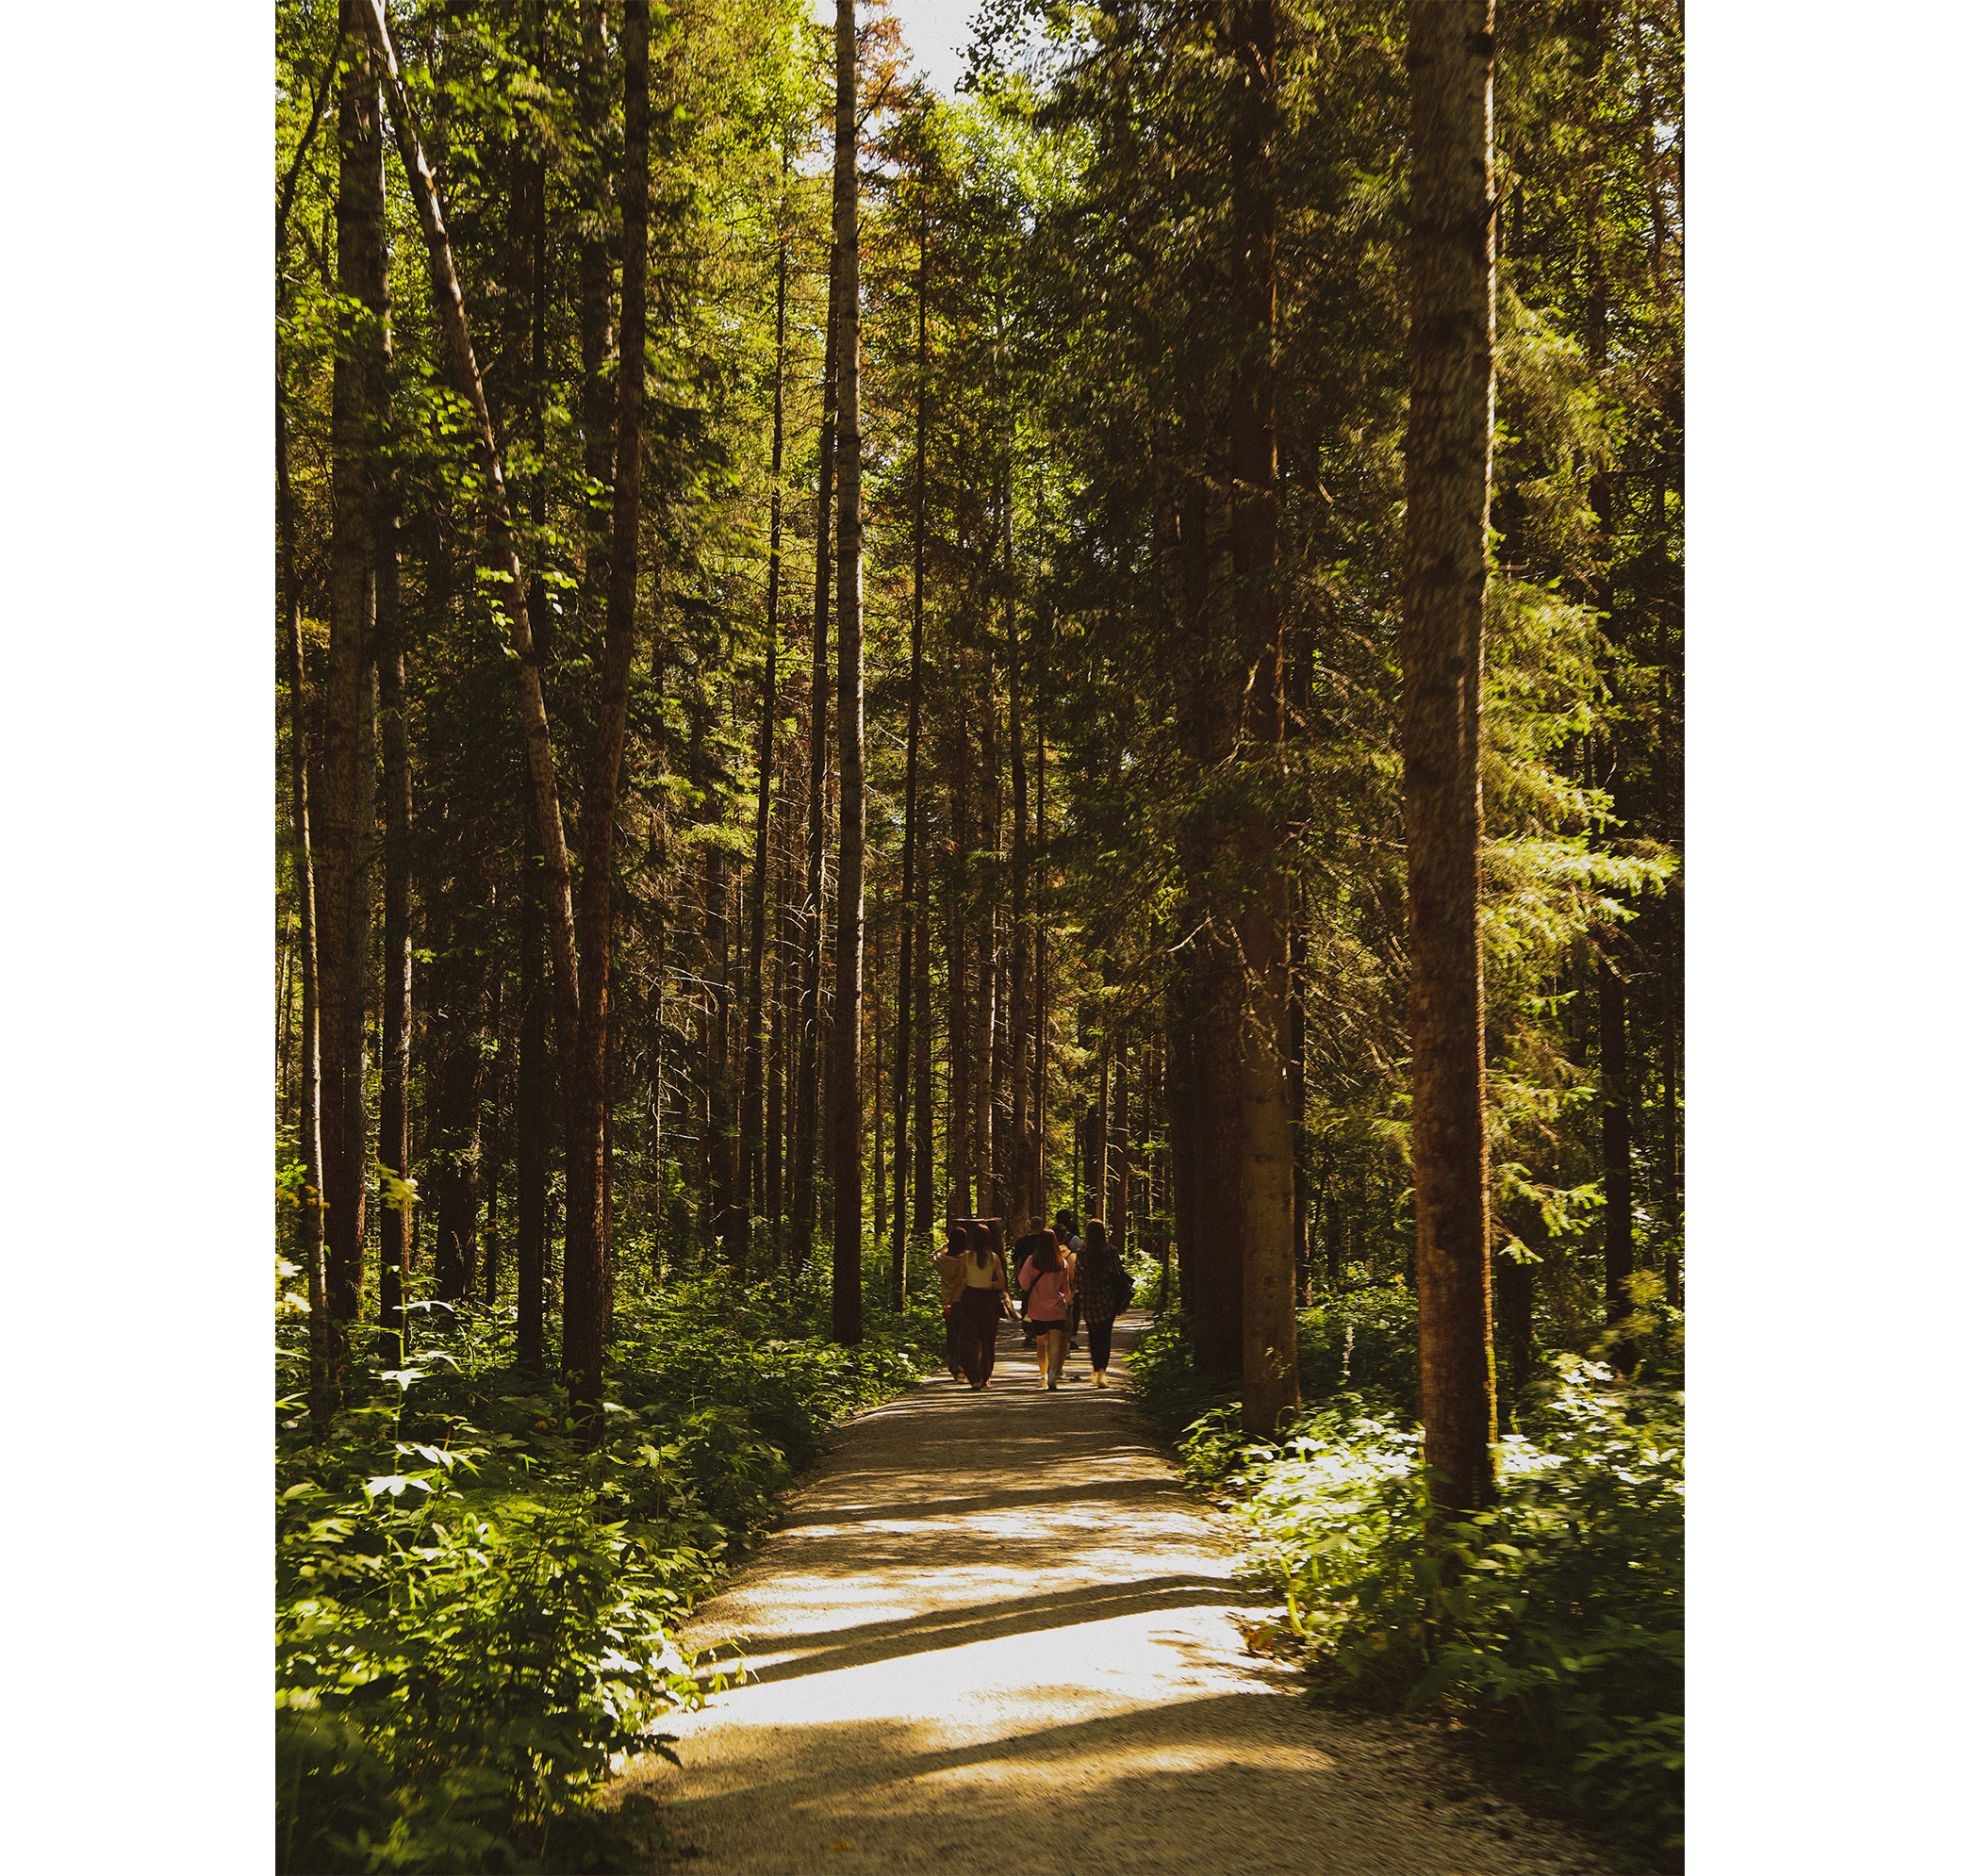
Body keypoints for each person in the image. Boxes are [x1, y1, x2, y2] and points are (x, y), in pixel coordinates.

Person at [949, 1222, 1009, 1388]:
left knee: (969, 1338)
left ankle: (973, 1376)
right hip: (988, 1299)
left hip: (970, 1297)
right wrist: (989, 1285)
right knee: (987, 1338)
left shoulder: (967, 1256)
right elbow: (1001, 1283)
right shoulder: (994, 1257)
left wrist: (952, 1298)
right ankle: (984, 1376)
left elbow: (960, 1279)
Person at [1017, 1227, 1074, 1390]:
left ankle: (1042, 1375)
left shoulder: (1031, 1261)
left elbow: (1024, 1284)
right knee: (1055, 1342)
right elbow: (1066, 1290)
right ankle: (1052, 1373)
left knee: (1041, 1342)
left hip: (1038, 1308)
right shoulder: (1061, 1262)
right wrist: (1064, 1302)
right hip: (1057, 1308)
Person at [1072, 1217, 1122, 1389]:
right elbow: (1117, 1274)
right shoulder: (1111, 1251)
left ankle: (1095, 1371)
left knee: (1093, 1336)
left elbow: (1077, 1281)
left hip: (1088, 1301)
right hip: (1108, 1299)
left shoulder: (1082, 1253)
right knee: (1105, 1336)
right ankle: (1102, 1372)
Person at [930, 1225, 969, 1377]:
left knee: (951, 1332)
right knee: (963, 1332)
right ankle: (961, 1364)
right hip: (963, 1298)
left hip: (947, 1300)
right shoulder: (965, 1259)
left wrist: (943, 1247)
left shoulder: (942, 1260)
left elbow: (932, 1256)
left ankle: (952, 1361)